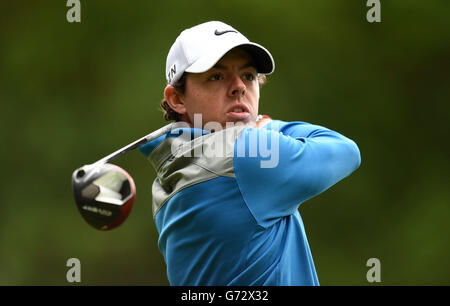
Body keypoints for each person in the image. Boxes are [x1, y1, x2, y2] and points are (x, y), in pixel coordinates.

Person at [139, 21, 361, 285]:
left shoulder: (168, 174)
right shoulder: (248, 154)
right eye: (216, 76)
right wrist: (268, 126)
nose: (239, 87)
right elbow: (345, 151)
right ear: (177, 99)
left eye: (248, 76)